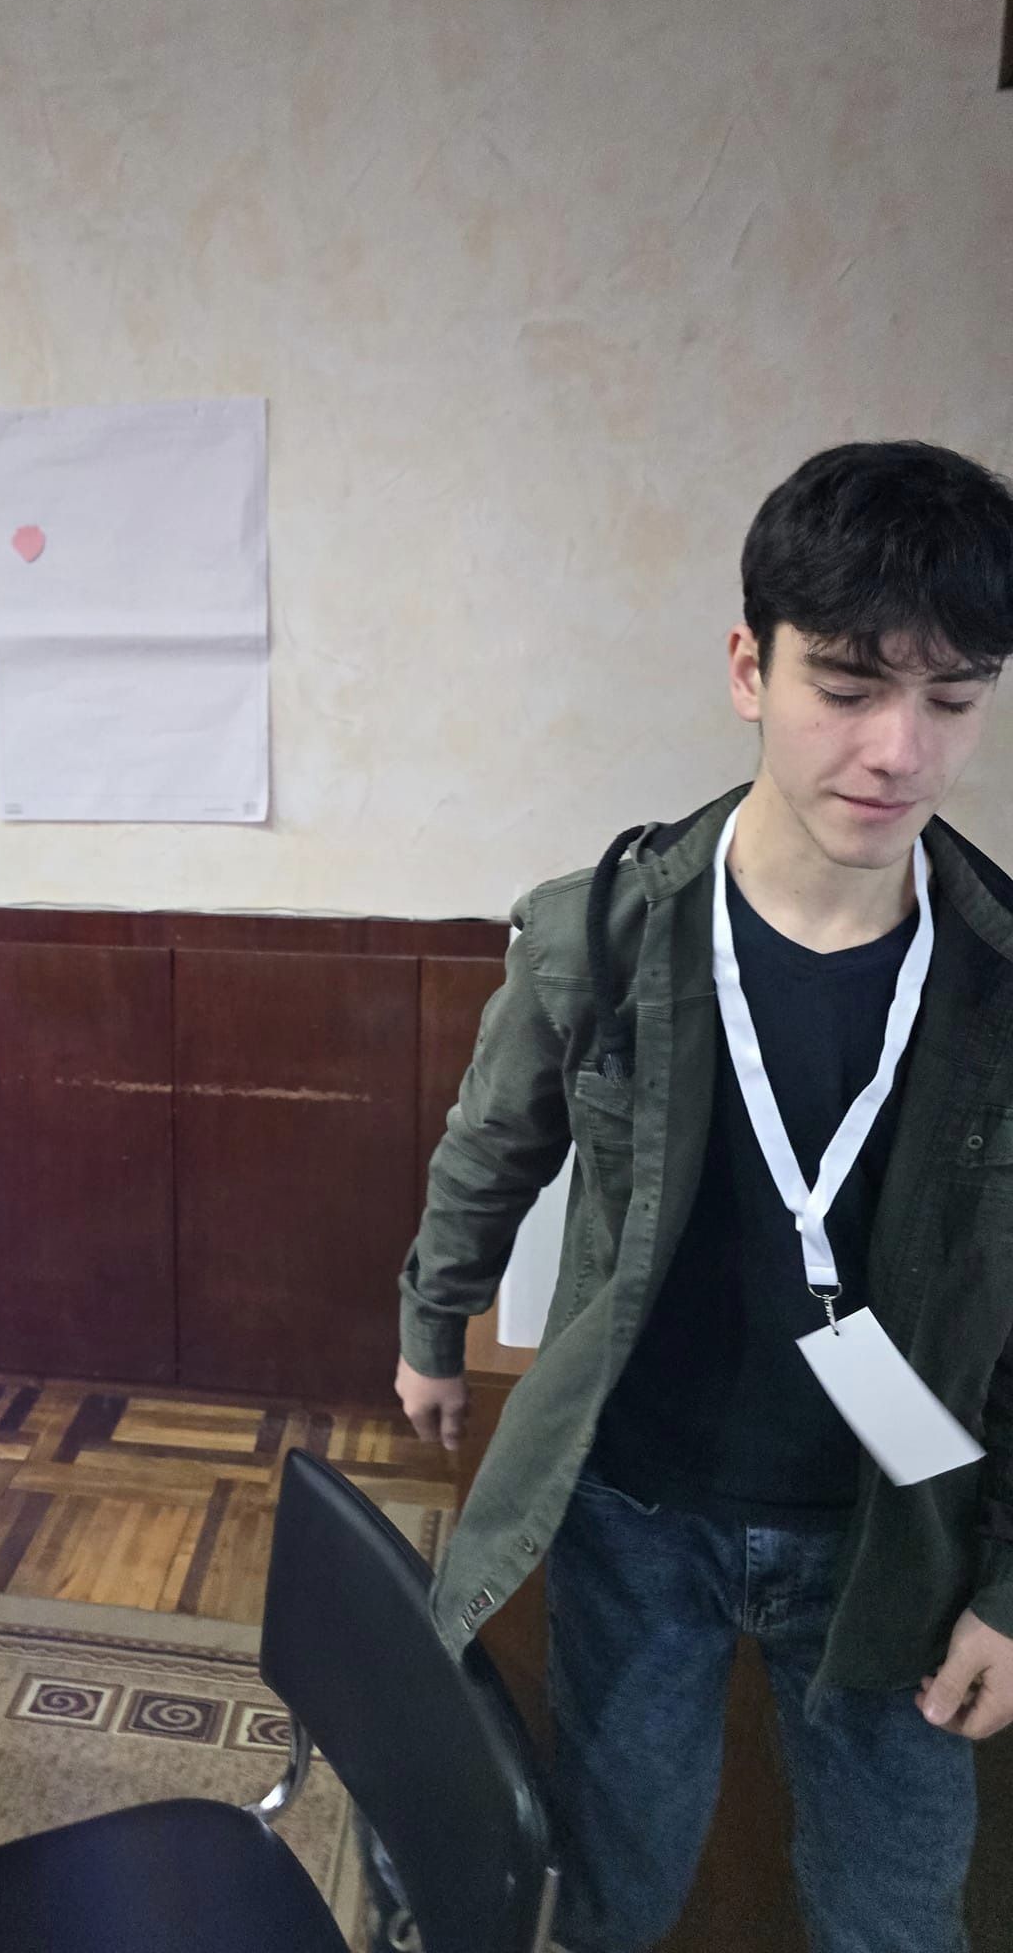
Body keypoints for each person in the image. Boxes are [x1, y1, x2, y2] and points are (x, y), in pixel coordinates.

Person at [395, 441, 1013, 1953]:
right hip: (638, 1509)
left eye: (953, 701)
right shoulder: (604, 934)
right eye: (848, 686)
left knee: (895, 1915)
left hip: (897, 1530)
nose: (898, 751)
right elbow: (492, 1143)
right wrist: (431, 1324)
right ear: (750, 667)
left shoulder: (996, 982)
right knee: (613, 1882)